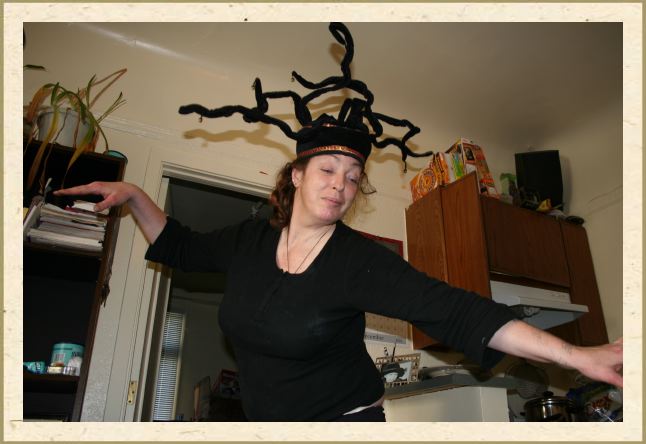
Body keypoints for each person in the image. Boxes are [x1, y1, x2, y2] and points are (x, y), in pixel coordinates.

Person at [53, 22, 622, 422]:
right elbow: (178, 245)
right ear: (297, 175)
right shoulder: (248, 240)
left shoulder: (357, 261)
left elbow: (456, 310)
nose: (341, 185)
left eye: (353, 177)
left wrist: (575, 356)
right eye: (327, 169)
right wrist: (134, 194)